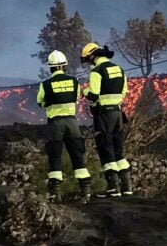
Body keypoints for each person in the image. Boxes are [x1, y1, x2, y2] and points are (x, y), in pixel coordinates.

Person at [36, 50, 92, 203]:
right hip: (72, 123)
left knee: (55, 156)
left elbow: (40, 102)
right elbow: (76, 98)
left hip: (55, 123)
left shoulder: (45, 84)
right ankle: (85, 192)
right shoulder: (74, 81)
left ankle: (56, 194)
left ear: (50, 67)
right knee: (77, 155)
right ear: (65, 66)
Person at [81, 42, 131, 197]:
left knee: (105, 146)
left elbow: (94, 94)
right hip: (118, 114)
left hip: (103, 115)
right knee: (118, 149)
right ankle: (127, 187)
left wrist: (84, 91)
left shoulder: (97, 71)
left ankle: (113, 188)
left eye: (87, 59)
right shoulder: (119, 69)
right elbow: (124, 92)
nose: (88, 62)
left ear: (92, 56)